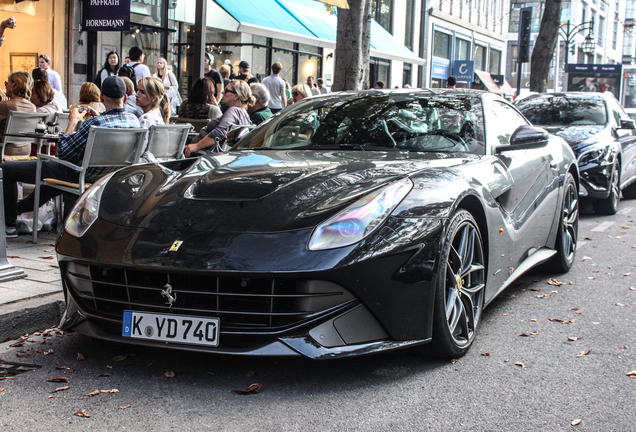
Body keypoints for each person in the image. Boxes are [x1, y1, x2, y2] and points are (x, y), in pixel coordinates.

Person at [1, 76, 141, 237]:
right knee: (47, 187)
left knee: (6, 169)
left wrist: (72, 122)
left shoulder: (94, 123)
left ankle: (9, 225)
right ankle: (13, 212)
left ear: (102, 96)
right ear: (124, 97)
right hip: (108, 175)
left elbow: (62, 152)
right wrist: (98, 116)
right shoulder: (134, 121)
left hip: (78, 172)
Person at [184, 80, 253, 157]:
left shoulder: (233, 110)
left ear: (236, 96)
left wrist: (196, 146)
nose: (222, 92)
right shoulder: (244, 114)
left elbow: (219, 132)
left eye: (226, 90)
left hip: (200, 154)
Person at [0, 71, 36, 156]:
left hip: (5, 151)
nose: (6, 86)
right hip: (26, 152)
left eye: (6, 83)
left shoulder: (5, 105)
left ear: (14, 84)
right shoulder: (32, 107)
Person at [136, 77, 170, 162]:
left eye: (142, 92)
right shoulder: (158, 115)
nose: (137, 94)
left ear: (153, 98)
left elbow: (138, 152)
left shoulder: (146, 118)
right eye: (137, 90)